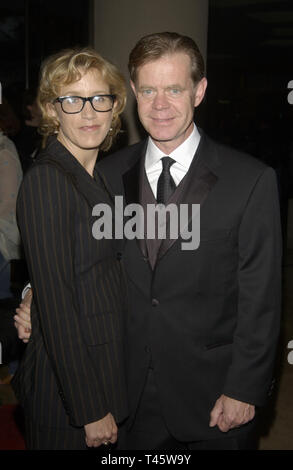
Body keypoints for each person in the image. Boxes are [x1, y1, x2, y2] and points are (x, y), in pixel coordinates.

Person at [15, 32, 282, 450]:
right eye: (150, 90)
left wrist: (245, 388)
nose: (161, 104)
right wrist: (36, 293)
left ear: (200, 90)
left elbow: (262, 299)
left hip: (212, 399)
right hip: (125, 395)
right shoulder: (106, 175)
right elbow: (83, 257)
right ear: (135, 93)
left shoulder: (250, 180)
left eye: (174, 89)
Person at [11, 47, 128, 450]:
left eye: (99, 98)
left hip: (108, 369)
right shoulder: (48, 179)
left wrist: (30, 293)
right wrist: (89, 407)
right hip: (69, 393)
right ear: (51, 109)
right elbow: (59, 303)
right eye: (72, 100)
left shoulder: (105, 176)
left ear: (115, 107)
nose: (89, 113)